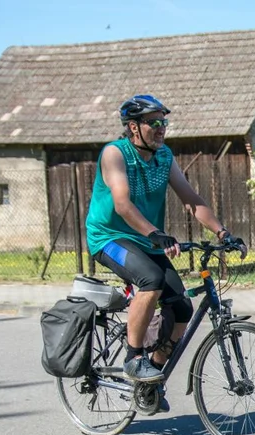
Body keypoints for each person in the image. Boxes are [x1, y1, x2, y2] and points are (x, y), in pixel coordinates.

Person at [86, 94, 245, 396]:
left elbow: (191, 199)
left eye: (164, 122)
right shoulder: (115, 154)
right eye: (154, 122)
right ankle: (134, 357)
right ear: (133, 127)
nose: (162, 128)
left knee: (182, 308)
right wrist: (154, 232)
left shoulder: (164, 157)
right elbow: (122, 204)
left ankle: (151, 380)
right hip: (109, 237)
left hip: (145, 240)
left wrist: (223, 232)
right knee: (152, 279)